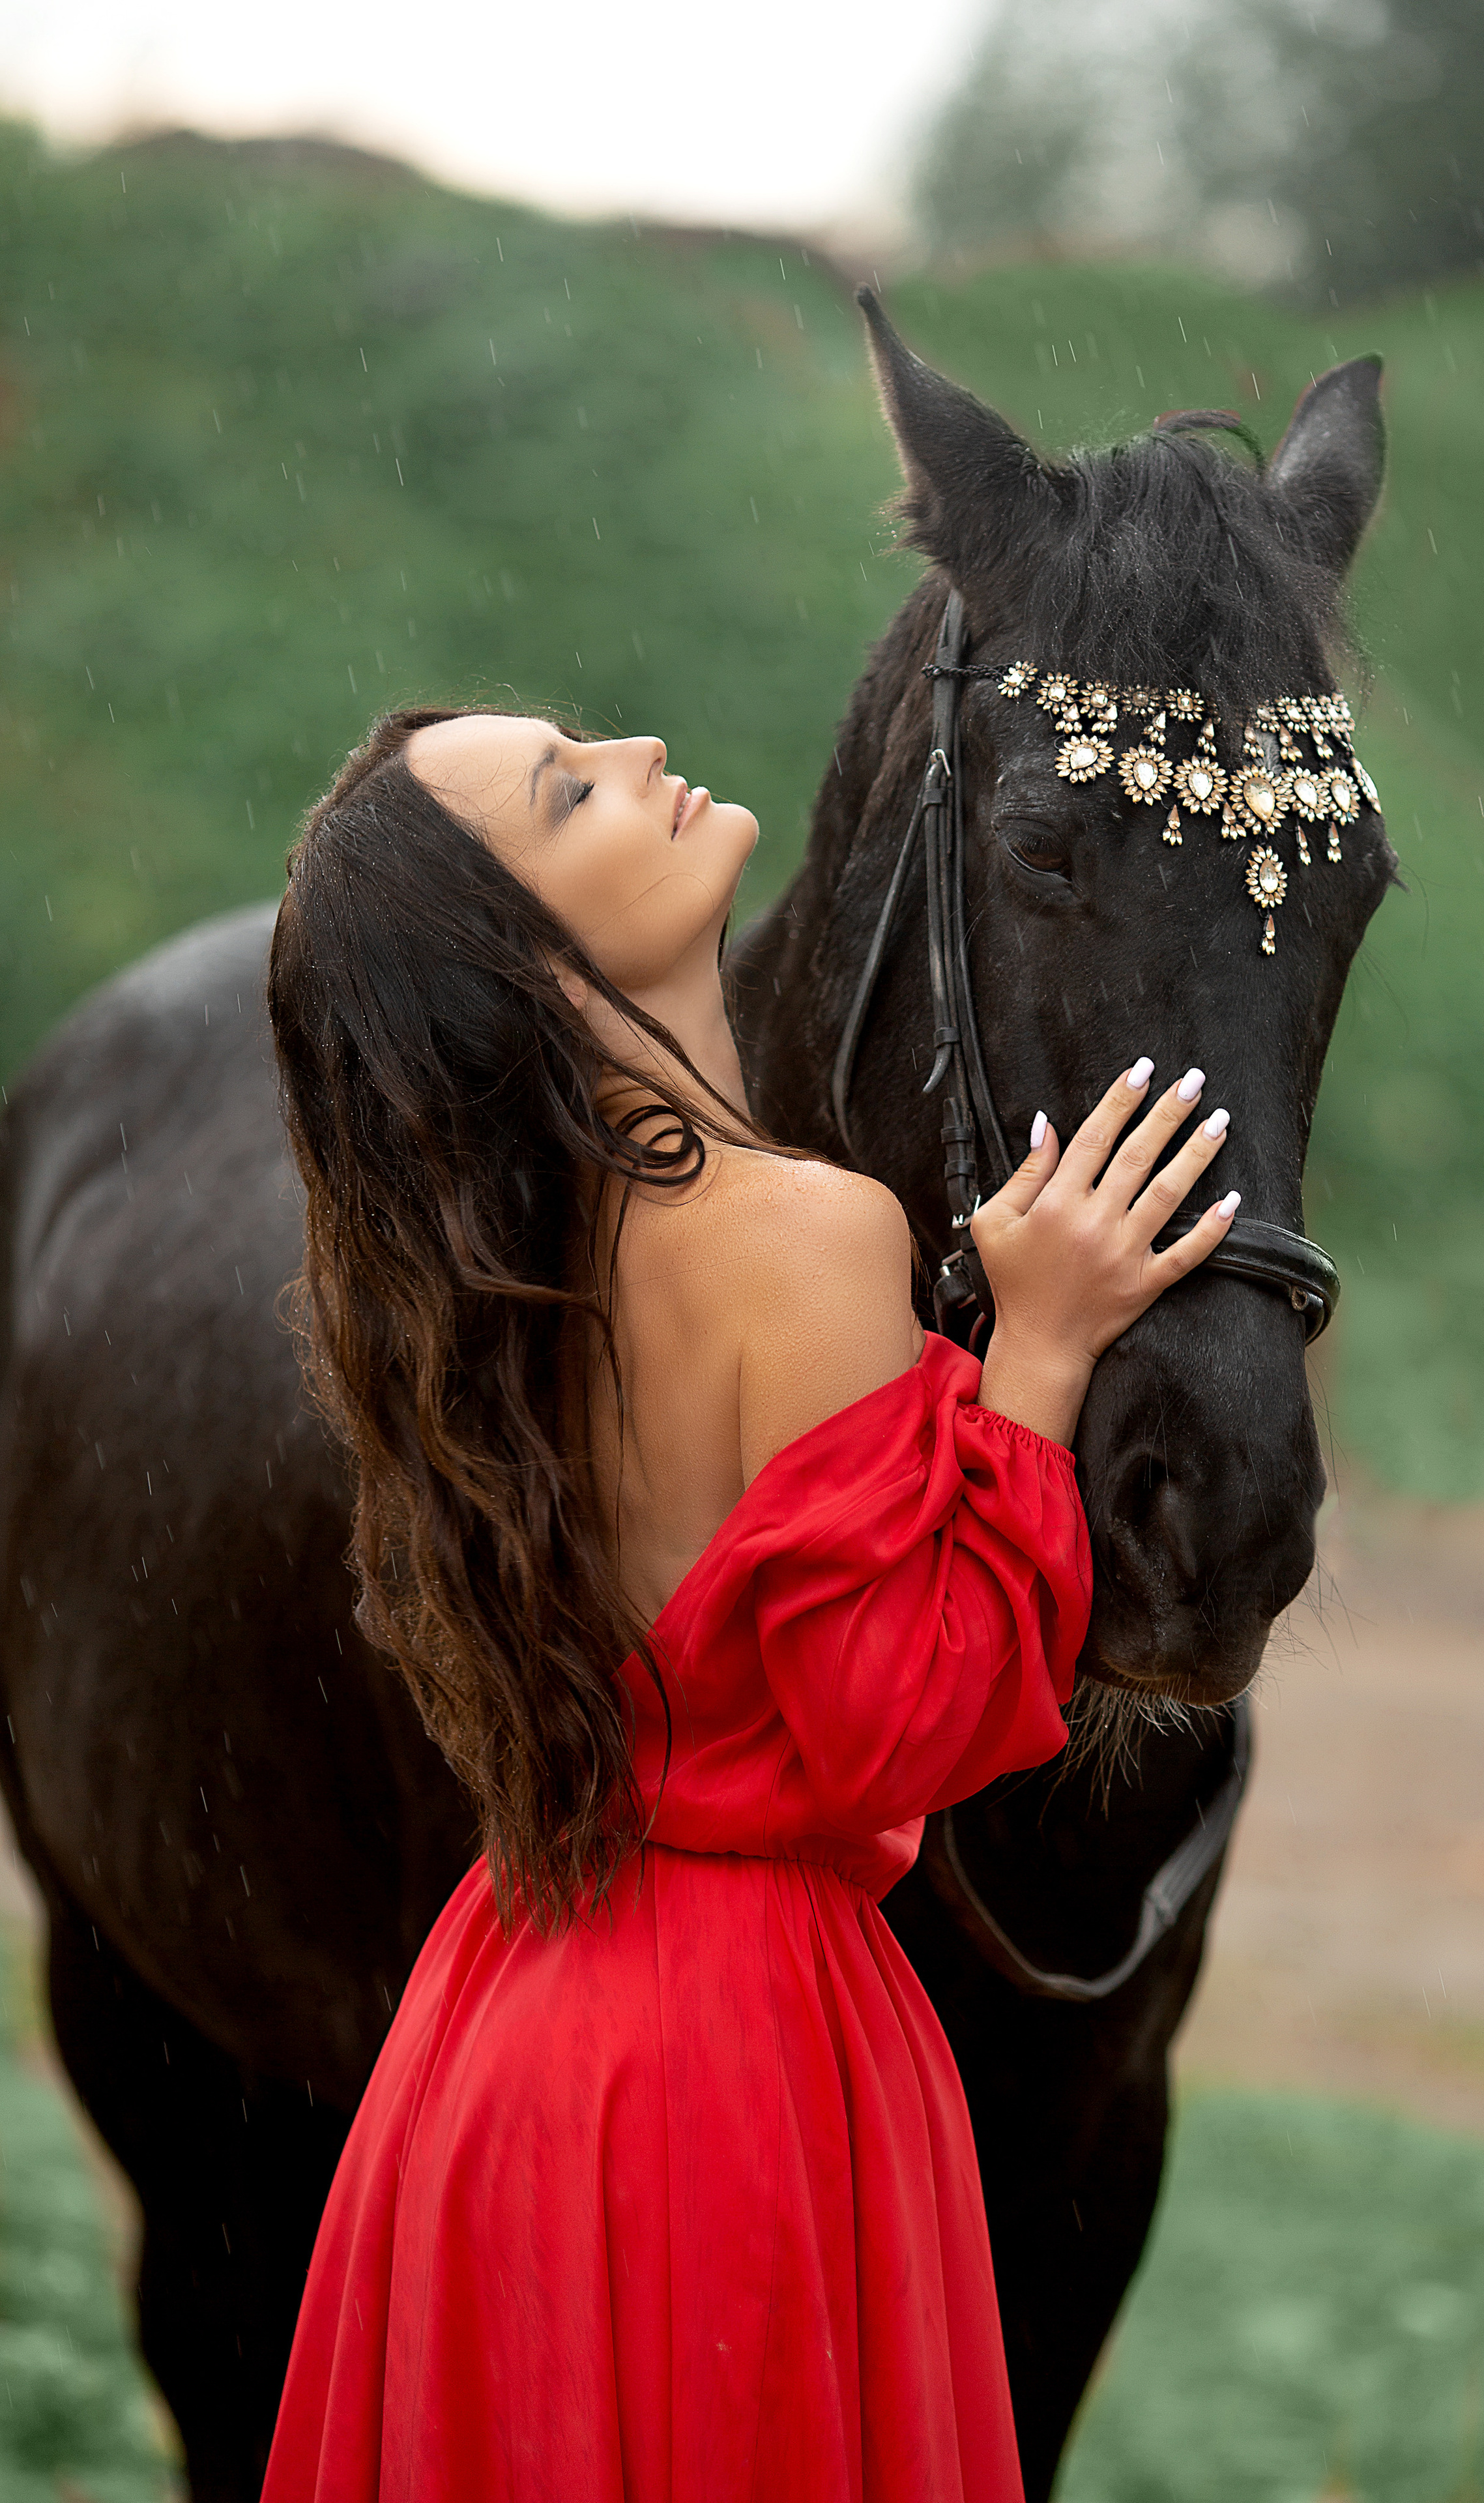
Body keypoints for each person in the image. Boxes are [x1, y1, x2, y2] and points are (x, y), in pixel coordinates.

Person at [259, 707, 1238, 2503]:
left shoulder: (507, 1291)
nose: (634, 749)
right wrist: (1036, 1351)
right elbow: (902, 1729)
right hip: (729, 2072)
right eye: (572, 792)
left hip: (503, 2032)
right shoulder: (799, 1235)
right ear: (532, 970)